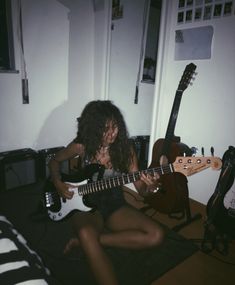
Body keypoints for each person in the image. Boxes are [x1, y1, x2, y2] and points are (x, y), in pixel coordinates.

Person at [48, 100, 164, 285]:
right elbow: (54, 161)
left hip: (113, 203)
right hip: (82, 202)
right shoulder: (81, 146)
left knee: (156, 235)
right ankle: (88, 240)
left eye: (115, 126)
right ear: (93, 129)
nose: (113, 133)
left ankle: (87, 242)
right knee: (86, 232)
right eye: (105, 128)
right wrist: (57, 182)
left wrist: (150, 188)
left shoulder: (126, 149)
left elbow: (141, 189)